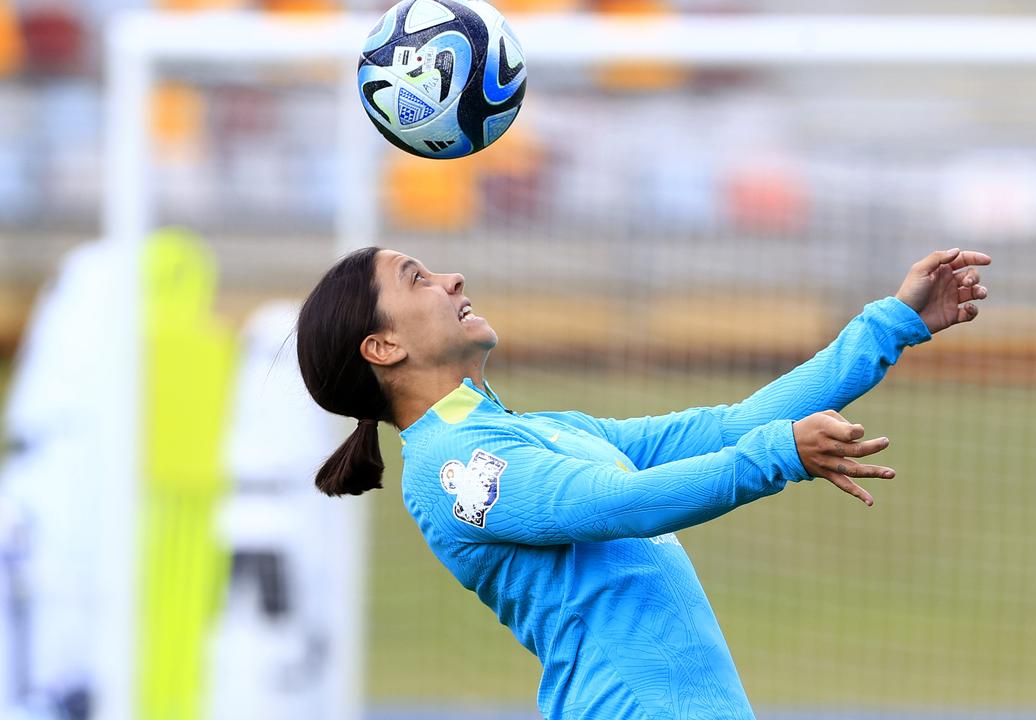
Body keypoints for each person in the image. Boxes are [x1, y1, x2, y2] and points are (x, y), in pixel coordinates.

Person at [296, 246, 990, 719]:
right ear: (383, 347)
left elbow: (733, 425)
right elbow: (618, 504)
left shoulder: (536, 429)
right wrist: (776, 455)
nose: (450, 279)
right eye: (417, 279)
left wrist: (893, 322)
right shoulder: (451, 467)